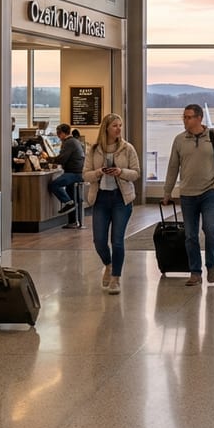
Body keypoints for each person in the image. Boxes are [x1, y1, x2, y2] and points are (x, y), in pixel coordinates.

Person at [161, 104, 214, 286]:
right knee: (190, 235)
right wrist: (167, 192)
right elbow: (173, 167)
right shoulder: (179, 140)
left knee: (210, 229)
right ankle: (195, 272)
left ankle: (211, 265)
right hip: (187, 195)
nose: (185, 120)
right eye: (183, 117)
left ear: (199, 118)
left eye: (189, 117)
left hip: (209, 193)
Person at [83, 113, 140, 295]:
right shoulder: (94, 150)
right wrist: (99, 172)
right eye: (115, 125)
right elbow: (85, 175)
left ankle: (116, 277)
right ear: (106, 128)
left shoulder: (127, 148)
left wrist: (120, 172)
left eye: (120, 125)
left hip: (121, 200)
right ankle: (108, 264)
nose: (118, 129)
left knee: (117, 240)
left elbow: (136, 173)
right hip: (100, 199)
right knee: (99, 240)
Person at [44, 123, 86, 226]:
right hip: (79, 173)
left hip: (73, 173)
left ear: (62, 133)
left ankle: (67, 202)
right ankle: (73, 222)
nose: (58, 137)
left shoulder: (68, 143)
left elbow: (62, 159)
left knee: (54, 185)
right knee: (72, 196)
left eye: (58, 134)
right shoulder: (75, 141)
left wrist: (48, 158)